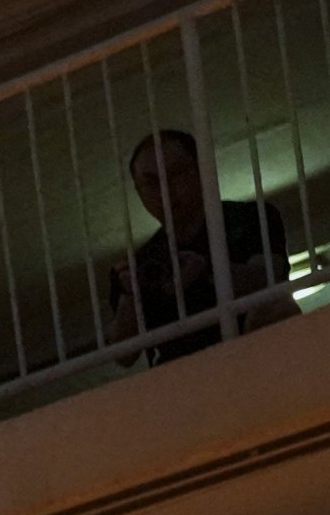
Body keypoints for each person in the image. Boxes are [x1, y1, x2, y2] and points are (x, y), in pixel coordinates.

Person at [105, 129, 295, 368]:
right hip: (186, 376)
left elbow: (267, 279)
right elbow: (123, 356)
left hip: (257, 357)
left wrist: (206, 272)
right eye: (151, 182)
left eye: (175, 174)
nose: (165, 190)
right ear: (138, 191)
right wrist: (129, 298)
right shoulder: (142, 265)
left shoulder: (248, 218)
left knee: (277, 307)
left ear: (200, 170)